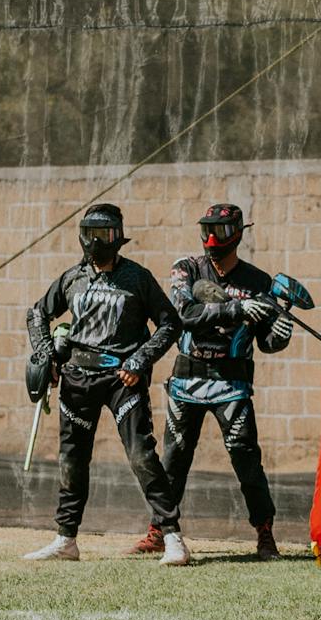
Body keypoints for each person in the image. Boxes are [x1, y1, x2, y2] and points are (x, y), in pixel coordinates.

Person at [21, 203, 183, 561]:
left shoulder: (137, 278)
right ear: (82, 237)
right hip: (77, 380)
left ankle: (172, 536)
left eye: (105, 235)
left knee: (142, 455)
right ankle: (66, 539)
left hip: (122, 380)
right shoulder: (72, 279)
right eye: (91, 235)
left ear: (118, 238)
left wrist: (140, 361)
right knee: (72, 460)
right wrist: (47, 355)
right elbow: (37, 314)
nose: (97, 243)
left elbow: (170, 322)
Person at [151, 202, 296, 564]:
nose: (213, 239)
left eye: (222, 232)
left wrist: (279, 334)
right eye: (206, 231)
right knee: (173, 460)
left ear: (239, 235)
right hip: (186, 380)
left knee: (246, 460)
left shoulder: (260, 282)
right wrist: (236, 309)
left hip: (232, 383)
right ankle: (159, 531)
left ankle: (265, 534)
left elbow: (266, 342)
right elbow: (184, 314)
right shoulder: (186, 269)